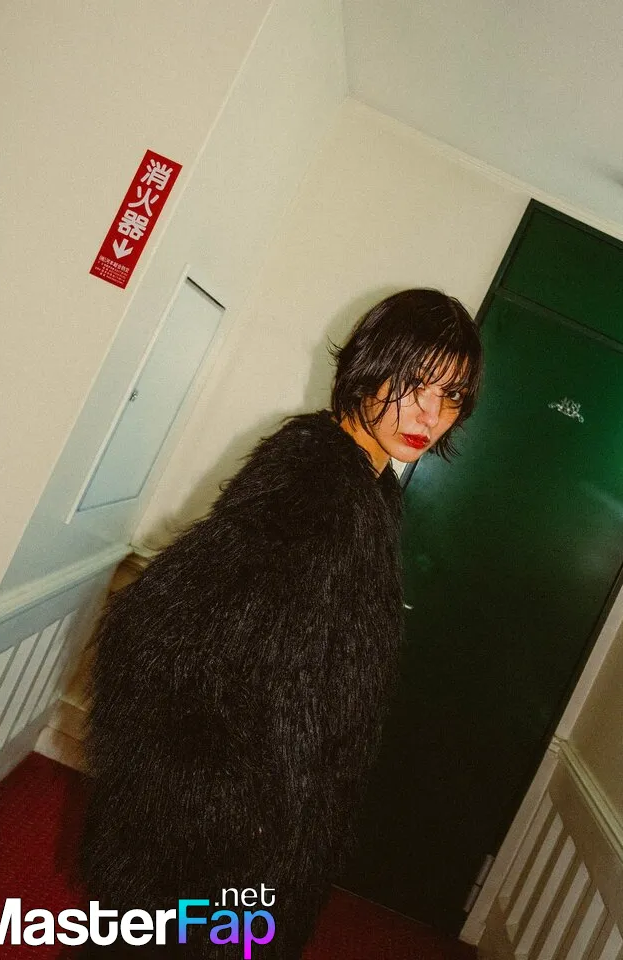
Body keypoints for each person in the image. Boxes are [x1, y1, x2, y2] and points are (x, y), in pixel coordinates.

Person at [79, 288, 483, 959]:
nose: (429, 414)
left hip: (274, 823)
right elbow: (151, 629)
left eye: (452, 396)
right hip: (224, 840)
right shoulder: (316, 484)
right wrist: (231, 805)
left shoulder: (369, 485)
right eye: (413, 383)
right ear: (367, 367)